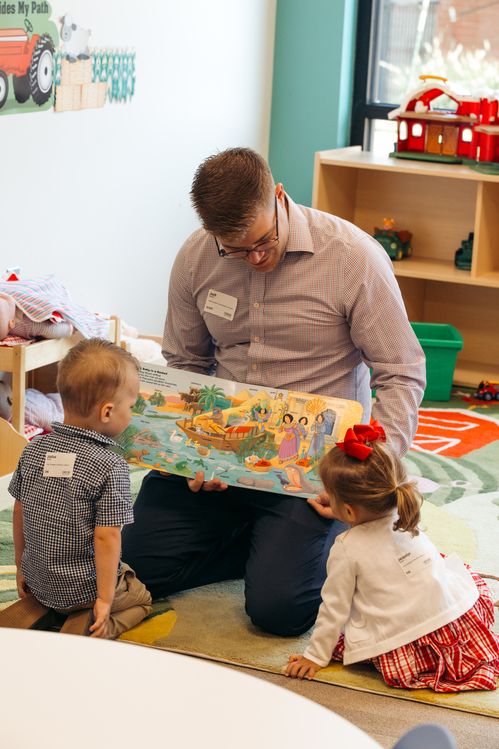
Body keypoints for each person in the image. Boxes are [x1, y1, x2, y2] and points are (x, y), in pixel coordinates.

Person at [122, 147, 425, 636]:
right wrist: (193, 457)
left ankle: (301, 546)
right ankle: (258, 545)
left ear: (280, 197)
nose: (256, 258)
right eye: (236, 250)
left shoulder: (352, 257)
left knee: (280, 612)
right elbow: (187, 365)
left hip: (314, 471)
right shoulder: (196, 258)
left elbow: (401, 370)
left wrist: (366, 478)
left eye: (264, 241)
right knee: (127, 568)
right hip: (220, 457)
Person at [286, 422, 499, 691]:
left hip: (406, 635)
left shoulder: (346, 547)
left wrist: (315, 656)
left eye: (329, 492)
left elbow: (334, 609)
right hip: (453, 613)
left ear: (349, 511)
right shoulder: (403, 512)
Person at [10, 338, 152, 639]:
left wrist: (22, 568)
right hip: (83, 591)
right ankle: (89, 627)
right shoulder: (111, 466)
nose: (133, 413)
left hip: (38, 580)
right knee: (142, 598)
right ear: (107, 412)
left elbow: (19, 510)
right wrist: (104, 599)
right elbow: (107, 536)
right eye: (131, 406)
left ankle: (41, 609)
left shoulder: (33, 449)